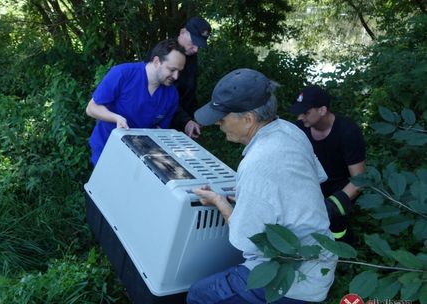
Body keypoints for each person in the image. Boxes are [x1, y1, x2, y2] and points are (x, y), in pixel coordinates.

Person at [186, 69, 337, 304]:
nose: (217, 122)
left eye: (223, 117)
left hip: (293, 282)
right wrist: (252, 195)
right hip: (319, 262)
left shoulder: (258, 162)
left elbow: (247, 239)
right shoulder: (290, 131)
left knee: (200, 295)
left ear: (248, 119)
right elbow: (308, 180)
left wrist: (218, 201)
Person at [86, 38, 186, 166]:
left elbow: (160, 130)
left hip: (140, 156)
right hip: (107, 148)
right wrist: (115, 118)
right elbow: (91, 108)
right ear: (156, 61)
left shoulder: (172, 95)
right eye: (172, 70)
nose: (176, 76)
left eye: (179, 71)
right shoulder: (123, 73)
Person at [288, 86, 366, 244]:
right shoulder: (299, 129)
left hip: (339, 187)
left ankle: (345, 255)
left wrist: (331, 206)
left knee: (336, 227)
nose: (300, 117)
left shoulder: (348, 131)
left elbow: (360, 180)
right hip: (310, 183)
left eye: (306, 112)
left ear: (322, 110)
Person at [170, 16, 211, 139]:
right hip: (164, 124)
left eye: (199, 45)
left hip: (183, 125)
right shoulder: (165, 54)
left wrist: (195, 117)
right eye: (193, 42)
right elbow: (162, 96)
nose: (196, 49)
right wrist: (186, 121)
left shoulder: (191, 55)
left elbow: (189, 91)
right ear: (182, 33)